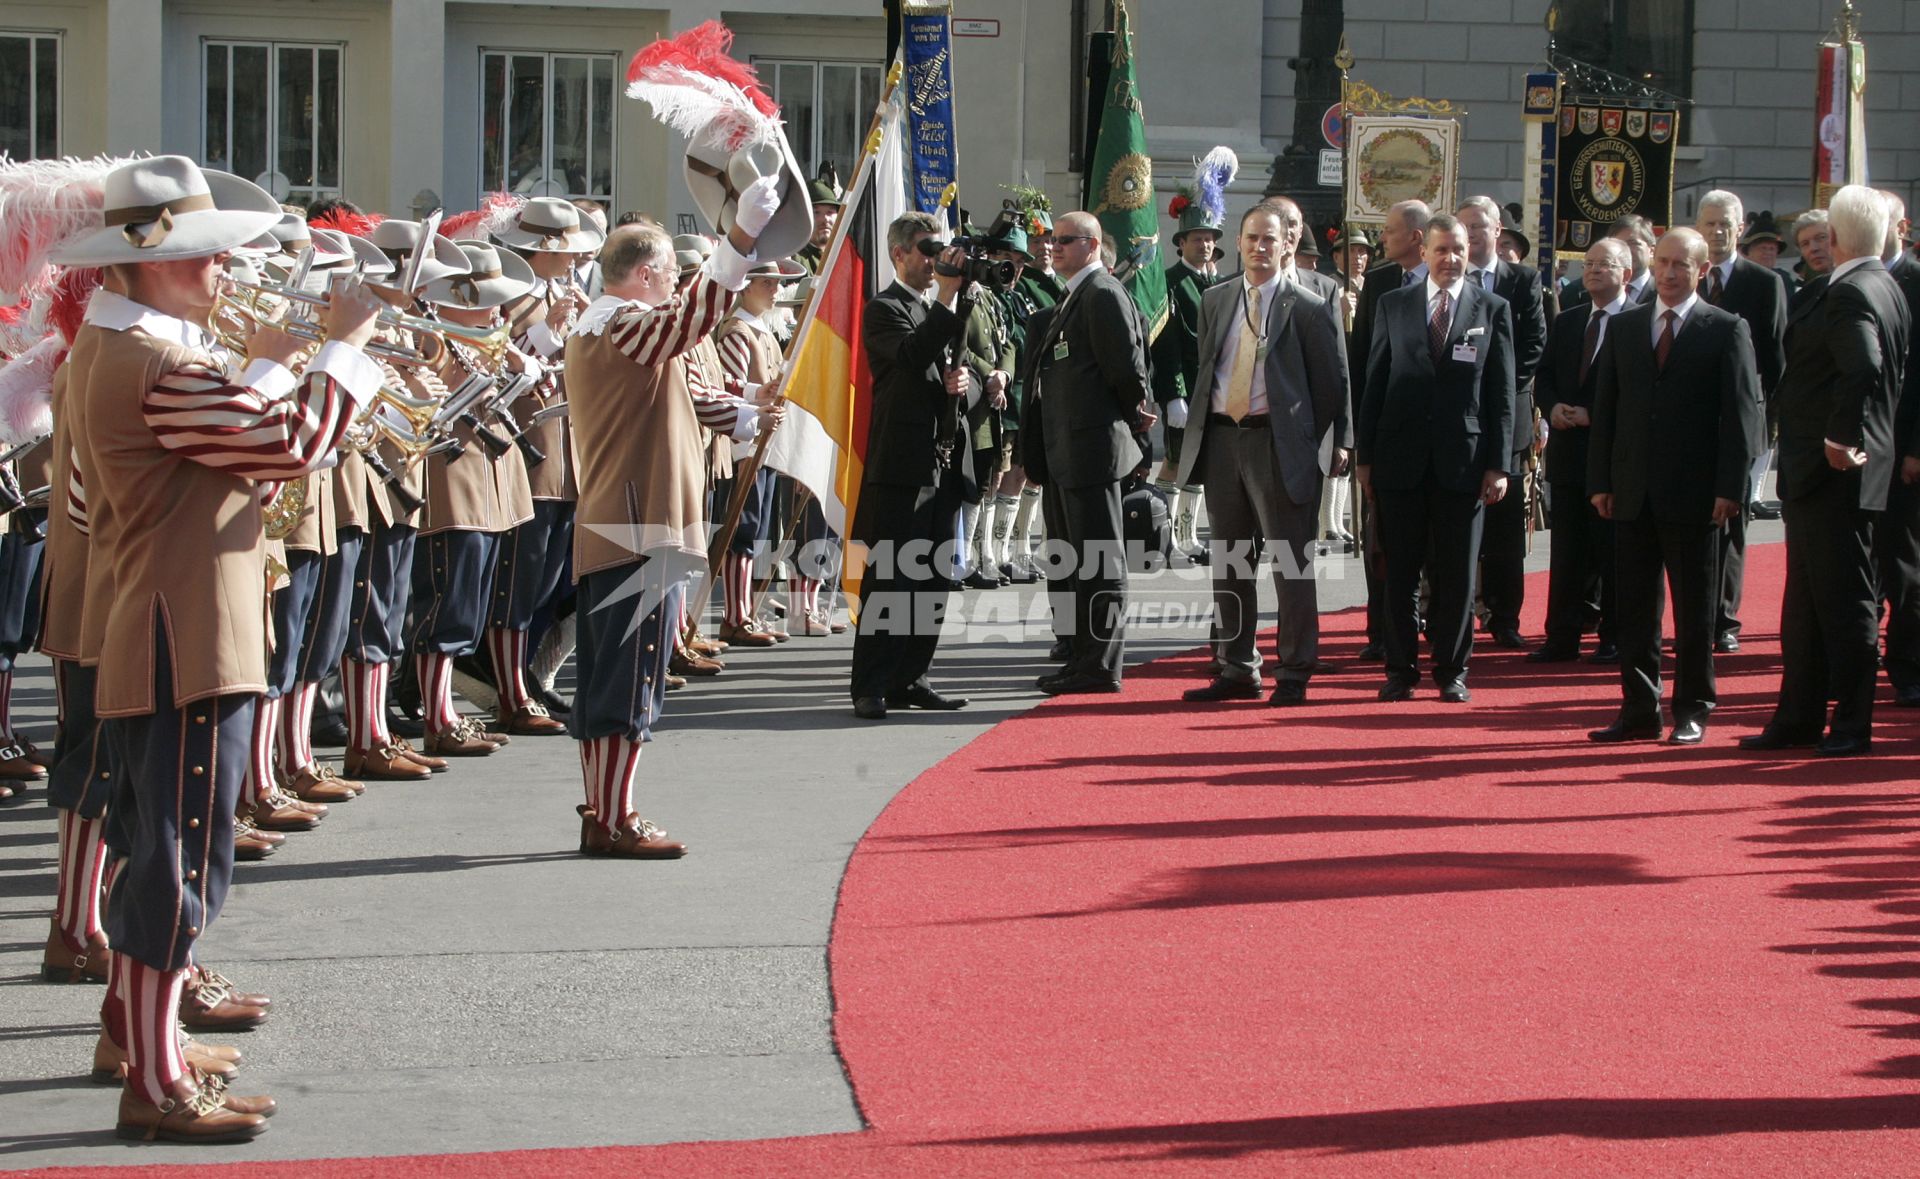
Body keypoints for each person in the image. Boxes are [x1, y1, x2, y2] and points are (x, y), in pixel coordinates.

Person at [53, 154, 384, 1140]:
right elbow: (291, 445)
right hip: (185, 634)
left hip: (166, 624)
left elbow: (220, 454)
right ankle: (154, 1086)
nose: (224, 277)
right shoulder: (156, 362)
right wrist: (344, 349)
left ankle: (141, 1041)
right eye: (207, 261)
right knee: (180, 860)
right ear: (151, 265)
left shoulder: (120, 350)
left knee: (163, 849)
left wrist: (282, 366)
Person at [565, 173, 788, 856]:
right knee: (630, 682)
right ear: (648, 273)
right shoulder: (622, 323)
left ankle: (608, 807)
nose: (677, 283)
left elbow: (691, 392)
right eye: (671, 272)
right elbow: (685, 322)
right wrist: (741, 238)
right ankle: (612, 817)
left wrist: (749, 414)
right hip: (640, 529)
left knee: (619, 678)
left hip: (626, 525)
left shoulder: (608, 324)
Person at [1742, 186, 1911, 757]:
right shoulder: (1870, 285)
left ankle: (1850, 724)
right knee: (1808, 605)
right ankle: (1798, 717)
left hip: (1836, 470)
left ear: (1836, 238)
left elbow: (1864, 365)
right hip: (1826, 473)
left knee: (1844, 602)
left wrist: (1841, 437)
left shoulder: (1857, 292)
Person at [1586, 227, 1765, 746]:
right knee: (1637, 613)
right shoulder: (1625, 327)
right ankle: (1640, 708)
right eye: (1662, 262)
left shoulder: (1726, 328)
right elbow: (1609, 410)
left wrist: (1731, 488)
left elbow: (1741, 416)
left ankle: (1693, 708)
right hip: (1631, 492)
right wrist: (1601, 479)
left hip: (1697, 497)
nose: (1668, 273)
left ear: (1702, 271)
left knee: (1694, 611)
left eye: (1681, 264)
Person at [1176, 200, 1349, 706]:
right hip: (1224, 440)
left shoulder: (1311, 308)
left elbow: (1331, 386)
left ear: (1286, 245)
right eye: (1251, 238)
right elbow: (1210, 367)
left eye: (1269, 239)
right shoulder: (1216, 299)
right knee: (1229, 560)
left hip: (1278, 444)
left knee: (1289, 564)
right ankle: (1236, 667)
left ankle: (1293, 670)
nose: (1259, 248)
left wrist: (1323, 445)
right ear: (1239, 242)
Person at [1355, 213, 1515, 703]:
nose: (1450, 259)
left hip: (1463, 464)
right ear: (1424, 253)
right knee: (1399, 572)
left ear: (1470, 253)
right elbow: (1374, 382)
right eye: (1441, 250)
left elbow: (1501, 393)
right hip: (1399, 461)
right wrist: (1365, 458)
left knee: (1457, 574)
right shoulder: (1393, 304)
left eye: (1459, 250)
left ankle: (1452, 670)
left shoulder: (1492, 309)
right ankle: (1400, 669)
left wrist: (1499, 463)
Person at [848, 211, 975, 719]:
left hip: (943, 460)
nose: (935, 260)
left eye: (938, 250)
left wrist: (965, 385)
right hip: (900, 464)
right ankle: (871, 684)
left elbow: (950, 362)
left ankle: (912, 677)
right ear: (898, 254)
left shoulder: (941, 305)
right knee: (892, 578)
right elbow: (908, 355)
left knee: (933, 580)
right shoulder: (886, 308)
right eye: (926, 250)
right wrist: (946, 297)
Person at [1025, 210, 1155, 695]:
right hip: (1067, 450)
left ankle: (1100, 664)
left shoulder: (1101, 293)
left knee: (1100, 561)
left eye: (1066, 240)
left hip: (1092, 449)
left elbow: (1127, 371)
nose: (1055, 247)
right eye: (1052, 239)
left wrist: (1135, 430)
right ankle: (1081, 656)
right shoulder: (1073, 294)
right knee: (1076, 562)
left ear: (1094, 245)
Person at [1530, 237, 1631, 664]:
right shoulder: (1569, 321)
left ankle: (1613, 635)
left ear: (1625, 273)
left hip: (1614, 455)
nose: (1592, 271)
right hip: (1569, 453)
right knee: (1567, 549)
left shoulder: (1637, 321)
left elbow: (1639, 390)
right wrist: (1553, 408)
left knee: (1613, 550)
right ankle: (1562, 635)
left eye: (1603, 264)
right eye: (1587, 264)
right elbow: (1545, 375)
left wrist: (1596, 415)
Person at [1696, 189, 1788, 653]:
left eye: (1725, 224)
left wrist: (1762, 423)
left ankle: (1724, 620)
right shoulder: (1686, 274)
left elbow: (1775, 361)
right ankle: (1695, 615)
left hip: (1741, 421)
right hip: (1689, 420)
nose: (1717, 231)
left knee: (1733, 519)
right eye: (1709, 223)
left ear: (1741, 227)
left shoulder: (1763, 284)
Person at [1456, 196, 1547, 651]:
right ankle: (1454, 612)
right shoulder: (1448, 281)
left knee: (1505, 527)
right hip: (1459, 420)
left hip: (1506, 417)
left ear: (1497, 231)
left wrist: (1494, 387)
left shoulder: (1523, 281)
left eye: (1478, 226)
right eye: (1462, 227)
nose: (1470, 235)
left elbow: (1533, 347)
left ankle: (1504, 616)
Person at [1348, 199, 1431, 662]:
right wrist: (1361, 438)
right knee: (1379, 536)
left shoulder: (1446, 282)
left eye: (1390, 230)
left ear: (1416, 236)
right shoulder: (1379, 281)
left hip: (1435, 436)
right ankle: (1379, 631)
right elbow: (1362, 361)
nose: (1382, 239)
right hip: (1385, 434)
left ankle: (1431, 626)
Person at [1152, 175, 1225, 564]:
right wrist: (1173, 393)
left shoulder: (1216, 283)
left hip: (1215, 386)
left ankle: (1187, 534)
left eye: (1210, 238)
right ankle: (1166, 536)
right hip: (1187, 386)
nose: (1205, 244)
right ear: (1181, 243)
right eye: (1197, 238)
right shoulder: (1171, 282)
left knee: (1202, 461)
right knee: (1177, 460)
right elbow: (1167, 346)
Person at [1878, 194, 1920, 708]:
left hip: (1905, 452)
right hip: (1860, 448)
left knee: (1905, 566)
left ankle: (1908, 665)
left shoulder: (1915, 278)